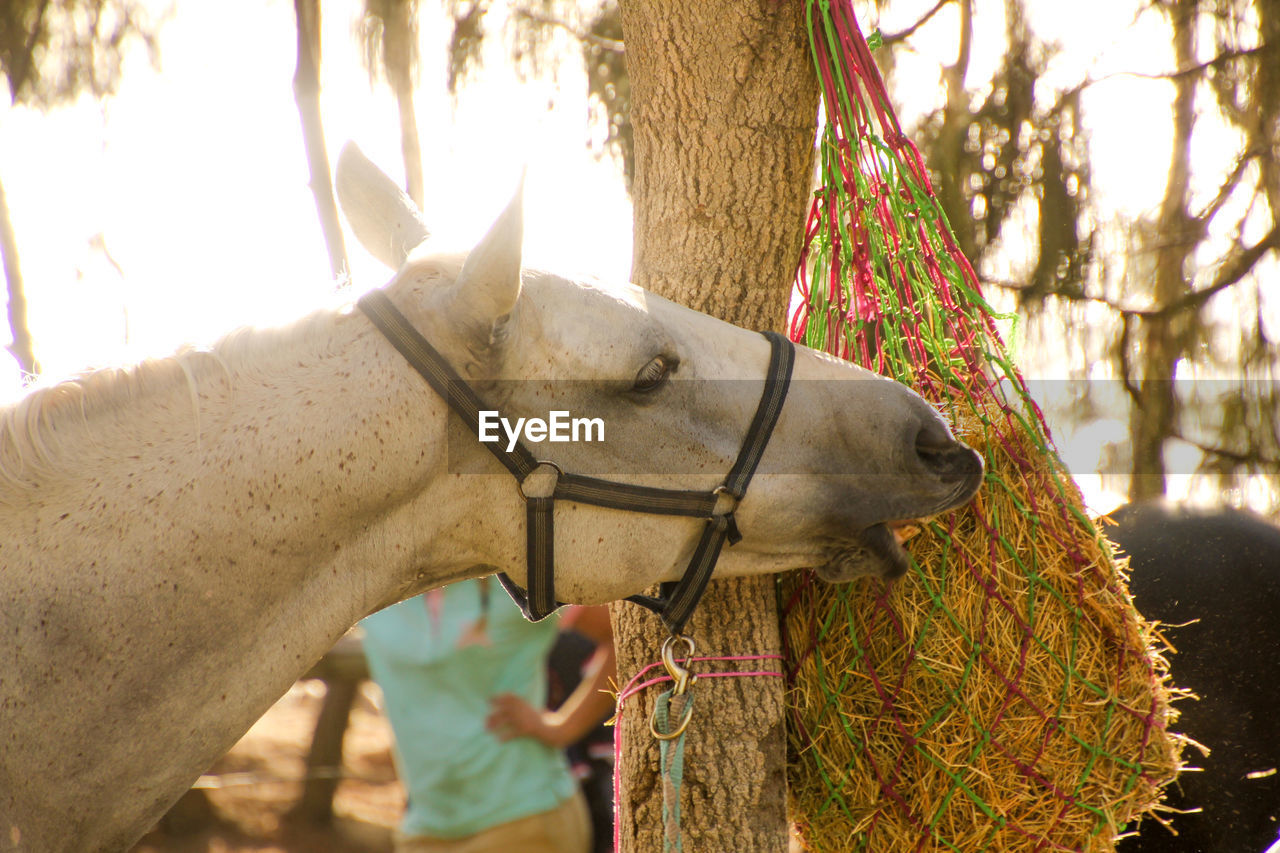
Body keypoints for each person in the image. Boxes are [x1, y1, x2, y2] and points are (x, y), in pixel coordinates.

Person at [361, 577, 616, 853]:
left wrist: (562, 727)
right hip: (423, 830)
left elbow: (618, 633)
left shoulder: (517, 578)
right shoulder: (370, 583)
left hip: (525, 821)